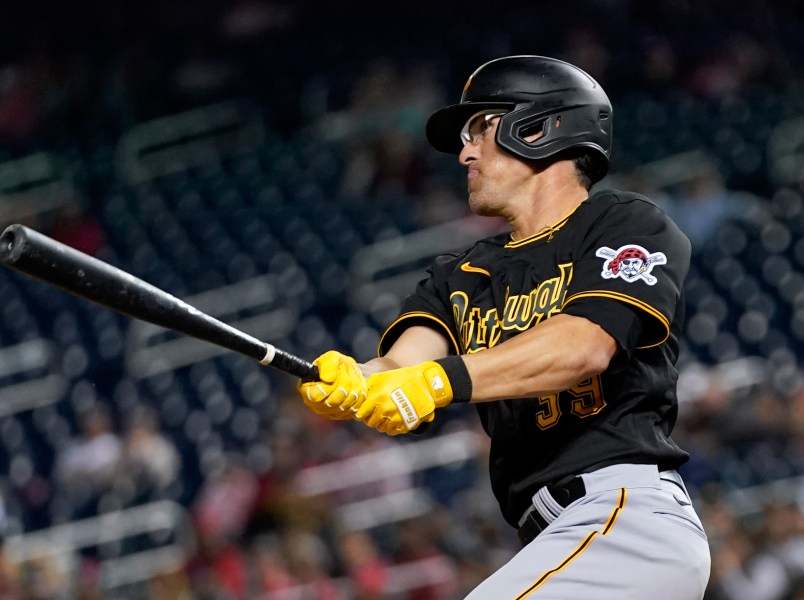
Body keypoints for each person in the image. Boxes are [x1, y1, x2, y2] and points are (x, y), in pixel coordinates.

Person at [297, 55, 711, 599]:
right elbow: (404, 365)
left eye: (478, 129)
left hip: (623, 520)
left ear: (540, 126)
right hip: (554, 538)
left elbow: (583, 346)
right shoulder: (459, 273)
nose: (464, 152)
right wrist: (357, 382)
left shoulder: (624, 222)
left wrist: (437, 382)